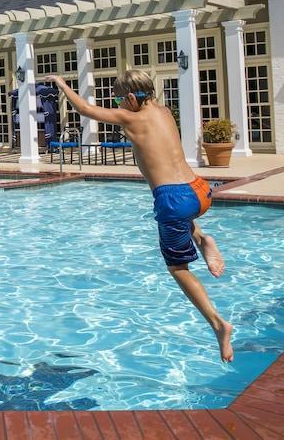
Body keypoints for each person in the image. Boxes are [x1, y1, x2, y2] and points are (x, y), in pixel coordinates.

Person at [45, 69, 233, 362]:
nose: (117, 105)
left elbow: (84, 109)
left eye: (119, 99)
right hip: (199, 191)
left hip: (175, 199)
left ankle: (218, 324)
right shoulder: (163, 111)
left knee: (178, 268)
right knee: (176, 210)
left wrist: (61, 84)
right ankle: (203, 238)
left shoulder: (130, 118)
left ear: (131, 98)